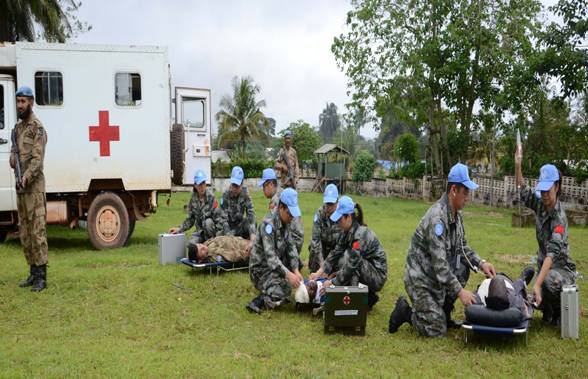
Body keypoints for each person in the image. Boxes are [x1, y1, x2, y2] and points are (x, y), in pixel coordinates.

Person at [388, 163, 496, 336]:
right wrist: (461, 293)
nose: (468, 197)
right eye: (465, 192)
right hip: (420, 280)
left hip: (435, 277)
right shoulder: (437, 218)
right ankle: (405, 312)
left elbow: (462, 247)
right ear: (454, 190)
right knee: (436, 330)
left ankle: (443, 312)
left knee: (463, 267)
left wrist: (481, 263)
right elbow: (440, 265)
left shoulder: (456, 216)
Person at [515, 144, 577, 326]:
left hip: (561, 272)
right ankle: (548, 310)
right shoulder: (541, 204)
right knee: (539, 285)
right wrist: (518, 165)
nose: (544, 195)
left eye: (547, 190)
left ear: (557, 187)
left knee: (546, 283)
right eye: (541, 190)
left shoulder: (560, 219)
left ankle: (558, 311)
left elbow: (551, 254)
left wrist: (537, 284)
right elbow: (523, 190)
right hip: (545, 268)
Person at [310, 195, 387, 308]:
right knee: (342, 260)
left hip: (377, 276)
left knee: (349, 261)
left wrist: (332, 283)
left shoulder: (360, 235)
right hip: (368, 270)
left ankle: (352, 302)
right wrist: (319, 272)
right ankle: (367, 297)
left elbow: (352, 265)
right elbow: (335, 253)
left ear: (349, 217)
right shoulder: (346, 231)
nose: (338, 223)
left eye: (340, 219)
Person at [10, 86, 49, 292]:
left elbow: (37, 159)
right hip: (21, 190)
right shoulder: (17, 129)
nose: (20, 105)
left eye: (23, 101)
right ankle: (33, 272)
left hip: (33, 189)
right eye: (18, 102)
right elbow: (15, 153)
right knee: (25, 232)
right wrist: (12, 160)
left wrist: (26, 176)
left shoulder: (37, 128)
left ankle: (42, 276)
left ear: (31, 102)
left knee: (37, 231)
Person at [247, 188, 304, 314]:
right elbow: (271, 258)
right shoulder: (268, 225)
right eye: (290, 214)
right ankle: (260, 300)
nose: (292, 217)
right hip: (260, 270)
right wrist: (289, 275)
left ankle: (275, 287)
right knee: (286, 288)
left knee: (297, 264)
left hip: (272, 266)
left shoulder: (286, 222)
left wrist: (295, 270)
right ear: (281, 208)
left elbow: (291, 247)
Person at [169, 170, 228, 256]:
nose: (202, 186)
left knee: (208, 222)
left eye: (203, 183)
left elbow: (218, 219)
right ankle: (203, 247)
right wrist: (179, 229)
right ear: (195, 185)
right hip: (200, 232)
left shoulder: (211, 197)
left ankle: (210, 247)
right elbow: (191, 219)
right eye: (200, 184)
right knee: (190, 245)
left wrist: (219, 239)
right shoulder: (193, 199)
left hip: (212, 233)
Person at [259, 167, 304, 256]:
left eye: (264, 186)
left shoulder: (277, 200)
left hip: (292, 242)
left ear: (271, 184)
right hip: (295, 241)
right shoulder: (283, 194)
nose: (263, 190)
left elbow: (274, 227)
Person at [308, 184, 342, 273]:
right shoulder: (319, 214)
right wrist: (322, 265)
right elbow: (316, 240)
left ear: (337, 202)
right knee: (312, 246)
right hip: (323, 250)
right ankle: (315, 272)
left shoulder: (343, 215)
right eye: (327, 203)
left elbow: (343, 244)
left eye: (332, 204)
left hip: (336, 250)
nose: (329, 207)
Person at [220, 166, 256, 240]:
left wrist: (252, 234)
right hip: (227, 228)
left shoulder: (245, 193)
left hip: (239, 226)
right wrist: (228, 235)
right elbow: (223, 219)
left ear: (242, 183)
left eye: (237, 186)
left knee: (251, 223)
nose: (235, 188)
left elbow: (251, 214)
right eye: (233, 185)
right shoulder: (225, 195)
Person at [188, 235, 253, 264]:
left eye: (200, 245)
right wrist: (246, 252)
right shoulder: (214, 256)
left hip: (240, 240)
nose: (203, 247)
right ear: (200, 260)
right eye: (202, 250)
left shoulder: (206, 244)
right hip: (245, 247)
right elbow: (233, 256)